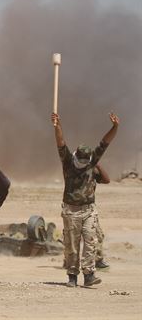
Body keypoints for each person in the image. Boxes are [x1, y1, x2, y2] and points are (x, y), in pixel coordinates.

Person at [51, 112, 119, 287]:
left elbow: (105, 143)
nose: (82, 162)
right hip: (71, 210)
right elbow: (60, 142)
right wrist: (57, 125)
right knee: (72, 245)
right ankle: (72, 276)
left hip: (89, 209)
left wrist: (115, 127)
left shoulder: (92, 161)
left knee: (90, 241)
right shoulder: (67, 161)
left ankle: (89, 274)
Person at [94, 164, 110, 269]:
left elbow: (106, 180)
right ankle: (68, 261)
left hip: (88, 208)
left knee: (98, 235)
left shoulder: (91, 172)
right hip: (74, 209)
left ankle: (98, 259)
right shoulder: (72, 171)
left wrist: (98, 165)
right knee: (72, 237)